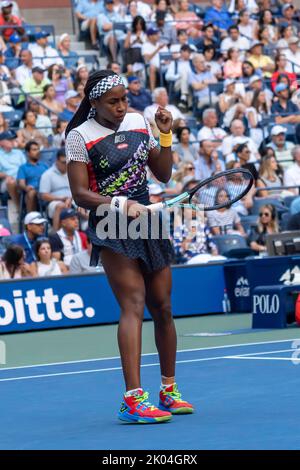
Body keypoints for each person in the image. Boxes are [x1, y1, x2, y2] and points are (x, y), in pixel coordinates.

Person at [65, 70, 194, 423]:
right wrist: (122, 205)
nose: (122, 106)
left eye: (124, 99)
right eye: (113, 101)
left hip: (148, 219)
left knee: (164, 306)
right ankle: (133, 399)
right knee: (134, 304)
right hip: (112, 223)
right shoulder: (79, 136)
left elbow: (164, 174)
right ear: (94, 103)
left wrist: (165, 135)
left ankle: (168, 390)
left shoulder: (139, 121)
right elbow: (80, 194)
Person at [39, 147, 73, 231]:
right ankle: (56, 234)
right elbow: (43, 195)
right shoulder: (47, 175)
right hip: (54, 202)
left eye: (67, 162)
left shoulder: (72, 172)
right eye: (63, 162)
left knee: (84, 205)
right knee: (61, 206)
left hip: (73, 199)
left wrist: (70, 199)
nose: (66, 165)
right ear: (57, 161)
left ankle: (83, 235)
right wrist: (61, 199)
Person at [17, 140, 48, 212]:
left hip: (46, 190)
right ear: (28, 153)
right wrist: (26, 187)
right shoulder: (23, 167)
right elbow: (21, 183)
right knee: (31, 193)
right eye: (34, 150)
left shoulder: (45, 165)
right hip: (32, 191)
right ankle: (31, 219)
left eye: (38, 149)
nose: (37, 152)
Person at [0, 130, 25, 208]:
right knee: (11, 182)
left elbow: (25, 167)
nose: (12, 141)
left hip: (22, 178)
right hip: (7, 180)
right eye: (9, 140)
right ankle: (19, 208)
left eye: (13, 139)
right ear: (1, 142)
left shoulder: (19, 152)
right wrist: (6, 176)